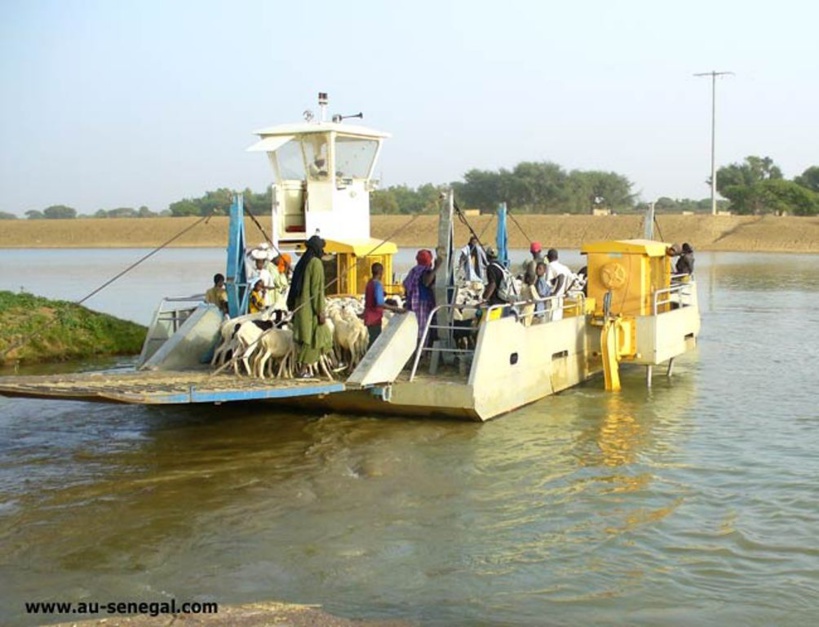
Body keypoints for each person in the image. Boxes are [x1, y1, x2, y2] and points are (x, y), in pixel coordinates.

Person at [287, 235, 333, 375]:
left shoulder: (303, 262)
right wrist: (320, 311)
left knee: (315, 337)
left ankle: (333, 362)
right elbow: (317, 290)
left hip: (301, 306)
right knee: (315, 338)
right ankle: (302, 370)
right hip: (310, 309)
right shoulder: (316, 264)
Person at [403, 248, 442, 348]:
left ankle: (414, 351)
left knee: (414, 328)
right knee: (422, 329)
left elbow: (406, 285)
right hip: (421, 303)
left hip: (412, 303)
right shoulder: (424, 271)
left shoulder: (413, 270)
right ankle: (420, 352)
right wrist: (436, 268)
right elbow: (427, 282)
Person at [364, 262, 405, 348]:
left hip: (368, 316)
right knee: (375, 342)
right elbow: (380, 303)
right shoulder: (378, 284)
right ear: (381, 272)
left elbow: (371, 296)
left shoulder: (370, 283)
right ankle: (369, 360)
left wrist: (382, 293)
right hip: (374, 318)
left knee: (372, 339)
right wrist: (396, 309)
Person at [482, 247, 513, 311]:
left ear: (487, 256)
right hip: (504, 298)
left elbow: (492, 284)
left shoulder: (491, 267)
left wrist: (485, 298)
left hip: (496, 301)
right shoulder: (501, 266)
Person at [546, 248, 573, 321]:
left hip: (553, 298)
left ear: (548, 258)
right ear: (557, 257)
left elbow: (560, 277)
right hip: (561, 297)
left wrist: (555, 292)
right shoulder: (564, 267)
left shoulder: (550, 266)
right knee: (558, 319)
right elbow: (573, 279)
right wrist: (566, 290)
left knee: (551, 319)